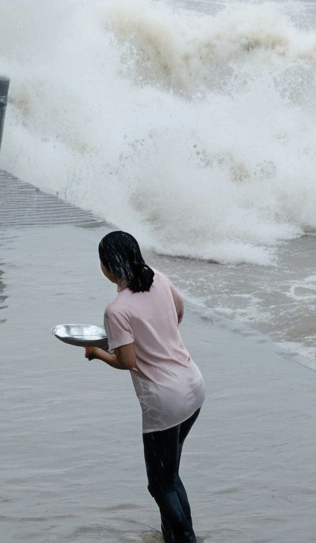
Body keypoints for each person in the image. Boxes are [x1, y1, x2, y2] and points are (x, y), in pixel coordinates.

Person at [85, 231, 205, 543]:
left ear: (108, 267)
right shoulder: (160, 280)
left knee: (159, 484)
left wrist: (98, 352)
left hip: (165, 402)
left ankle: (187, 538)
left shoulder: (116, 310)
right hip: (193, 385)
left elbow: (126, 360)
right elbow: (177, 314)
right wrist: (155, 335)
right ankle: (173, 536)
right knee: (171, 473)